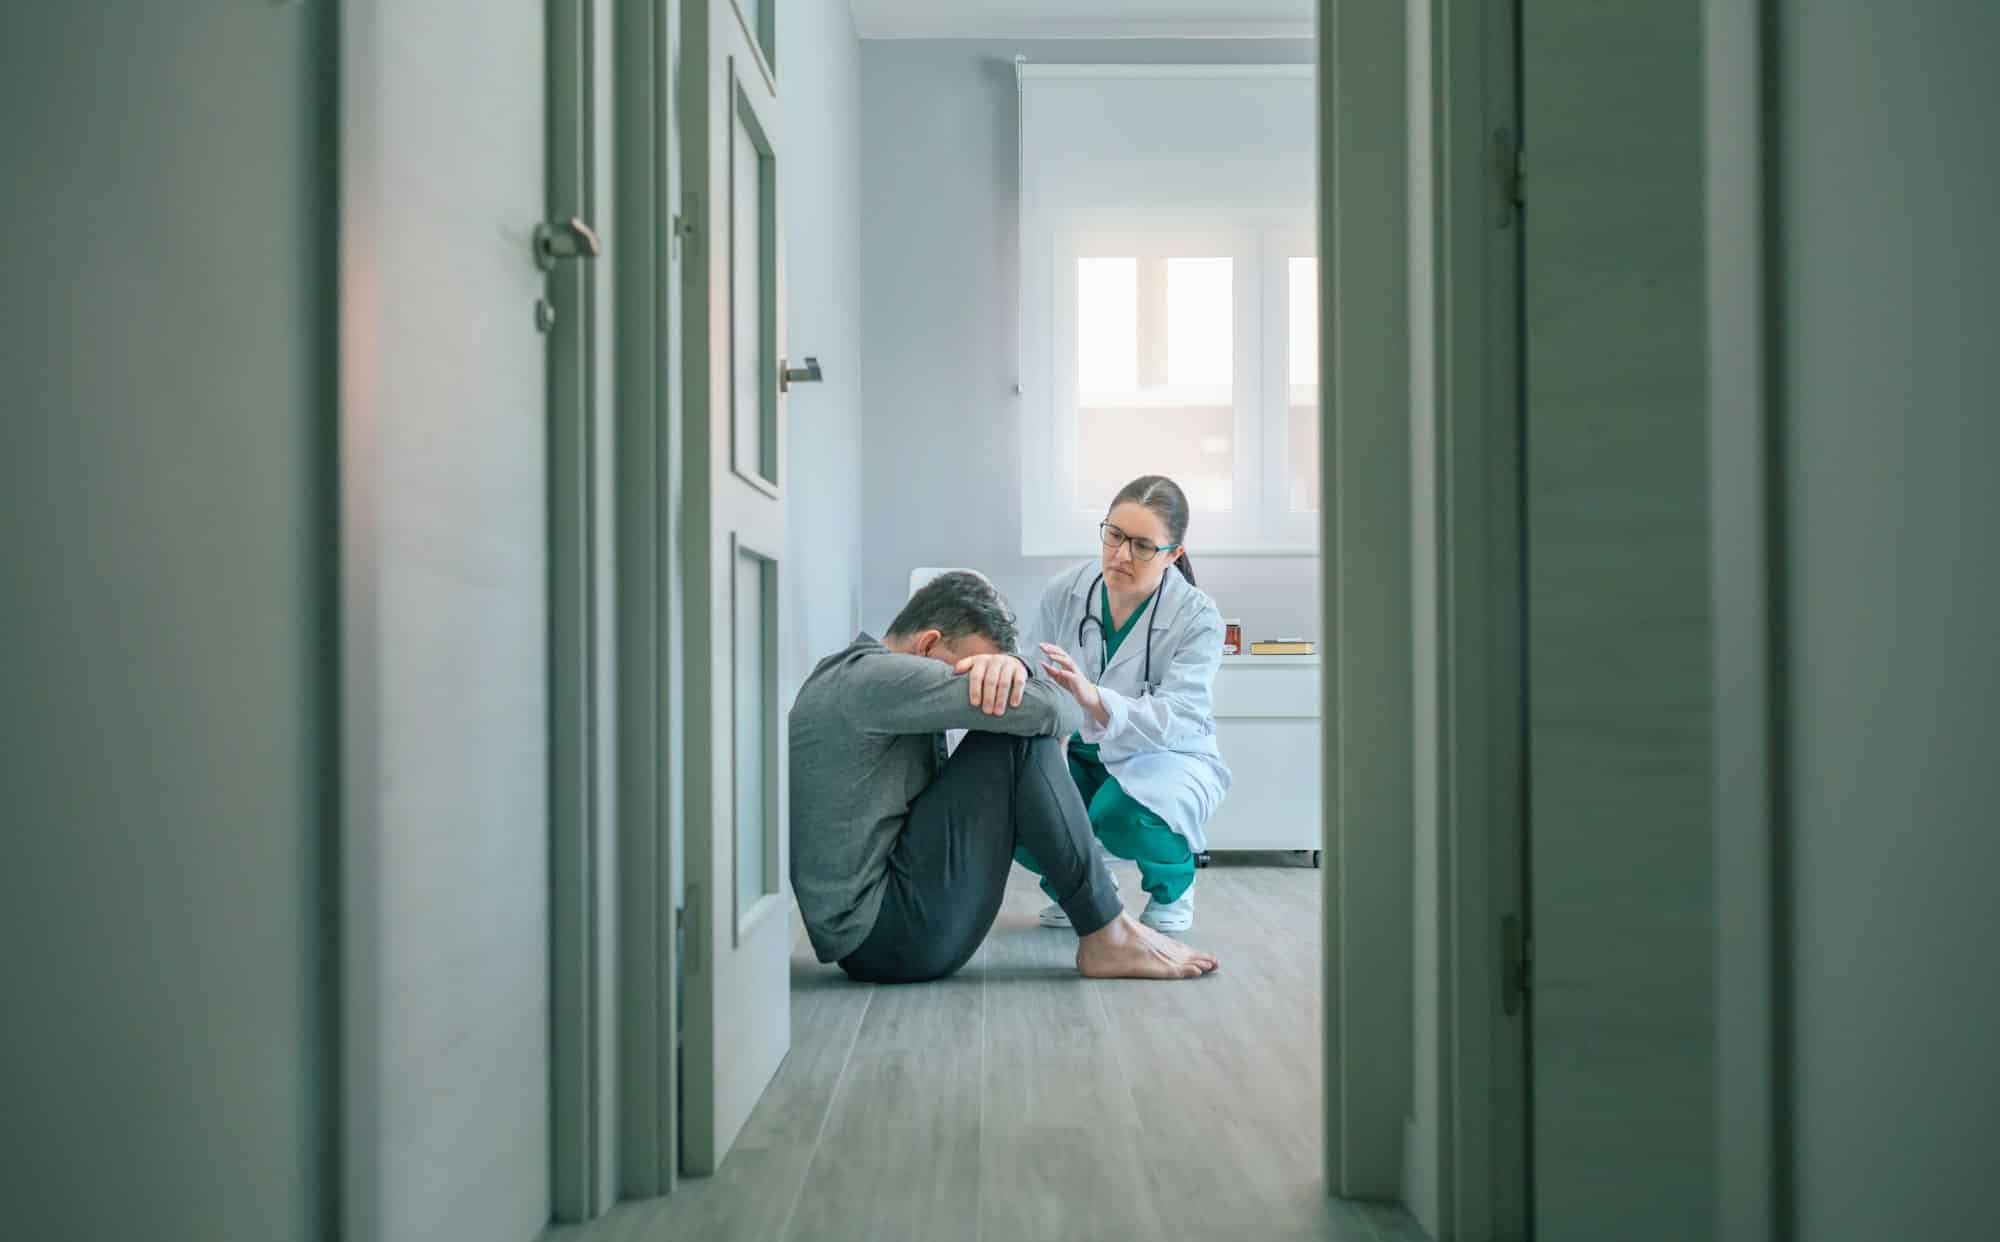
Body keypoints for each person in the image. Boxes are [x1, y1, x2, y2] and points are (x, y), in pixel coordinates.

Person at [788, 570, 1220, 985]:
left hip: (885, 933)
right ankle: (1107, 930)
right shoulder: (878, 679)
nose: (984, 682)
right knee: (1015, 739)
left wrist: (1015, 668)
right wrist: (1021, 670)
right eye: (975, 670)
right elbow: (1058, 708)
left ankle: (1107, 922)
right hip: (889, 938)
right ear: (929, 645)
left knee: (1015, 730)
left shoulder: (852, 674)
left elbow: (1063, 711)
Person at [1017, 475, 1231, 933]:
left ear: (1174, 553)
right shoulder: (1066, 589)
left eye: (1142, 545)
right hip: (1073, 746)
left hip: (1162, 754)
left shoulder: (1197, 616)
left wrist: (1096, 698)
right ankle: (1082, 887)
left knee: (1118, 815)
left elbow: (1180, 716)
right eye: (1114, 535)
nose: (1121, 555)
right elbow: (1034, 669)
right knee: (1013, 803)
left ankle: (1173, 889)